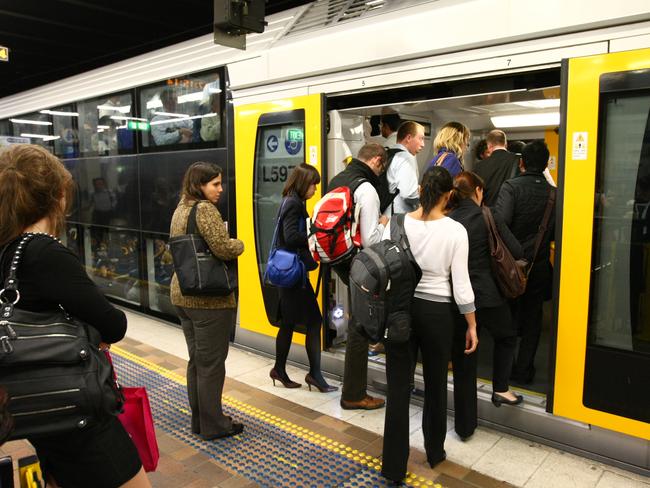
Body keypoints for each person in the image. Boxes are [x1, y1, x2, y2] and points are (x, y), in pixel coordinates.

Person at [0, 144, 150, 488]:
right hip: (76, 415)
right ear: (55, 197)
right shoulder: (43, 250)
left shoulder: (6, 250)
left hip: (35, 407)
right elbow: (114, 324)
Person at [380, 166, 478, 483]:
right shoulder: (455, 231)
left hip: (400, 311)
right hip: (437, 314)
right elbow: (461, 285)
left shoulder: (395, 224)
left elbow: (382, 268)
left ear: (420, 190)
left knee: (398, 390)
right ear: (449, 194)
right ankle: (434, 452)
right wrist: (472, 324)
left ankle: (393, 466)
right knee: (435, 384)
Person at [170, 162, 245, 439]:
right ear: (199, 185)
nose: (220, 189)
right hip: (207, 300)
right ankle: (214, 425)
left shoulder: (181, 209)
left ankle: (200, 421)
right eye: (215, 184)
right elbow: (224, 248)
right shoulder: (204, 210)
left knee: (197, 362)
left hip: (183, 293)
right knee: (211, 365)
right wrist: (240, 244)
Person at [448, 172, 524, 441]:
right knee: (506, 336)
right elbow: (514, 249)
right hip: (486, 295)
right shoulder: (487, 216)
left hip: (457, 296)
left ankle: (465, 427)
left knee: (465, 356)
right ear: (479, 190)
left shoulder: (448, 218)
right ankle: (500, 388)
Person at [328, 143, 389, 410]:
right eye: (381, 167)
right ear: (376, 160)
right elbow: (369, 239)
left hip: (338, 259)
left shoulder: (338, 179)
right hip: (359, 263)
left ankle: (353, 391)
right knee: (360, 327)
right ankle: (353, 395)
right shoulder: (367, 188)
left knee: (358, 321)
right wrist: (385, 224)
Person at [270, 163, 338, 393]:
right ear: (302, 183)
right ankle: (315, 375)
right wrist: (314, 233)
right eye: (313, 184)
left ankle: (279, 369)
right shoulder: (294, 204)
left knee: (288, 323)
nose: (314, 189)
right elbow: (290, 237)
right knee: (315, 321)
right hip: (294, 275)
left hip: (289, 273)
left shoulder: (290, 200)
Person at [495, 140, 555, 384]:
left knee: (508, 317)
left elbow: (499, 224)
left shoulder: (511, 187)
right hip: (539, 266)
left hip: (510, 266)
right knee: (533, 319)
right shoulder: (555, 194)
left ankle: (504, 368)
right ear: (545, 165)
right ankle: (524, 369)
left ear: (521, 163)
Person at [386, 121, 425, 214]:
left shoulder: (389, 153)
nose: (423, 144)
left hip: (387, 211)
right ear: (408, 138)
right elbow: (409, 194)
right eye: (421, 139)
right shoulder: (406, 157)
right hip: (399, 217)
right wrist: (420, 195)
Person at [473, 130, 520, 207]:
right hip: (514, 210)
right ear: (506, 144)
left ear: (489, 146)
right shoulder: (519, 160)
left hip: (490, 214)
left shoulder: (479, 166)